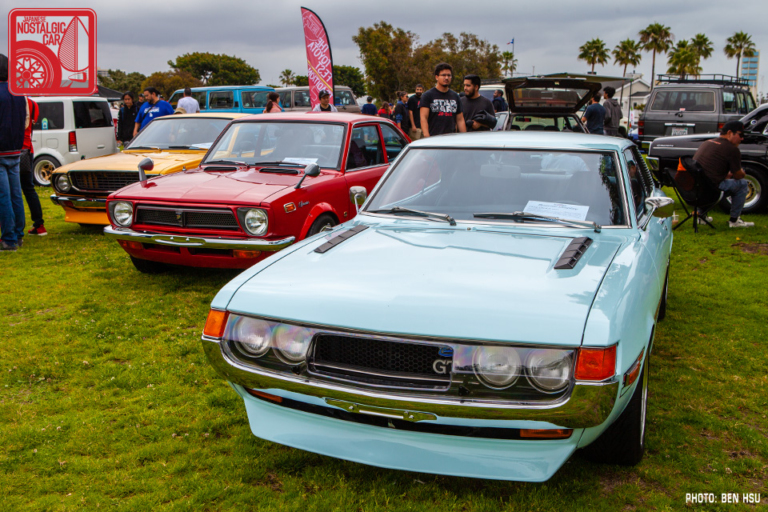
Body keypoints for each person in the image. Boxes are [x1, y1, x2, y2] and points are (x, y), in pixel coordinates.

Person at [693, 121, 754, 228]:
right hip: (711, 190)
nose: (742, 138)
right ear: (730, 133)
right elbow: (738, 175)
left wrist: (725, 175)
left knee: (711, 181)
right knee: (742, 184)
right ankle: (734, 221)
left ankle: (701, 216)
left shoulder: (707, 143)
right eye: (740, 134)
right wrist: (742, 172)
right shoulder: (732, 149)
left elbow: (708, 170)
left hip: (695, 189)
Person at [0, 54, 27, 251]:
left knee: (4, 196)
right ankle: (18, 234)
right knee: (16, 194)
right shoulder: (19, 93)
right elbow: (25, 121)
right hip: (16, 148)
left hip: (1, 150)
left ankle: (9, 239)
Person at [20, 96, 46, 236]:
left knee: (10, 191)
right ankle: (39, 224)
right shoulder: (33, 104)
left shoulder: (10, 101)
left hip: (12, 150)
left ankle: (14, 228)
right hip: (27, 149)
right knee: (29, 189)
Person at [419, 63, 467, 137]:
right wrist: (427, 137)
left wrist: (464, 138)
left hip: (451, 138)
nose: (446, 78)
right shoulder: (427, 96)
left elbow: (460, 120)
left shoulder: (455, 96)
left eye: (449, 75)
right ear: (437, 77)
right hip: (434, 138)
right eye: (443, 75)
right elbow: (423, 118)